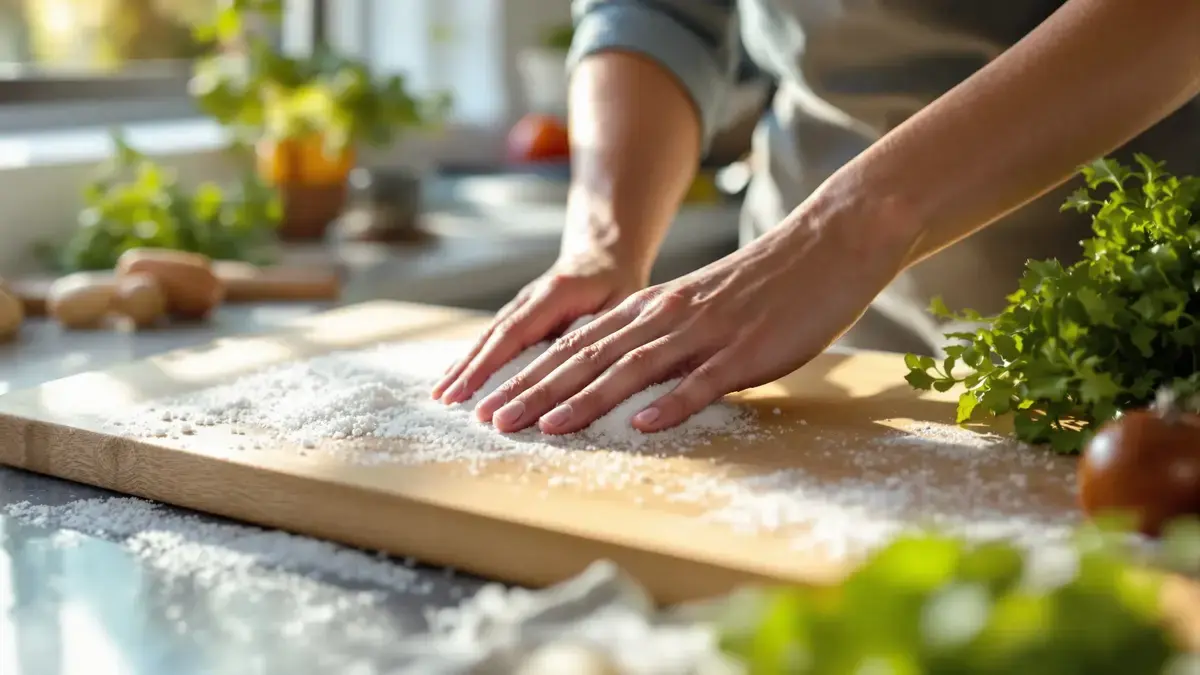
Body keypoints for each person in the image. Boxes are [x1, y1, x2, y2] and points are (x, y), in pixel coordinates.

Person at [432, 0, 1200, 437]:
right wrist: (604, 243)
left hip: (1148, 326)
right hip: (815, 335)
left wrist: (851, 226)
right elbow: (658, 11)